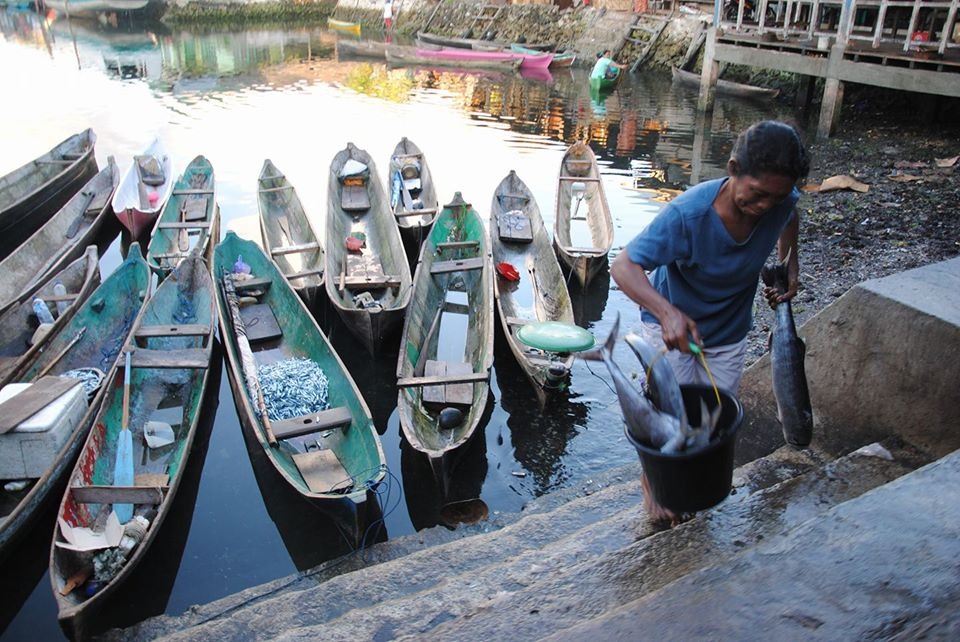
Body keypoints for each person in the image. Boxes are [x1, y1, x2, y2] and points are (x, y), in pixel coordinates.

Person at [610, 119, 810, 524]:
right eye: (757, 195)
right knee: (666, 420)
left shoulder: (781, 200)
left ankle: (695, 490)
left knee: (712, 421)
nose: (765, 206)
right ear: (734, 169)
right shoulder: (688, 215)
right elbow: (624, 265)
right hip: (672, 333)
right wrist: (668, 313)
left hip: (729, 333)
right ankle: (657, 494)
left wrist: (791, 264)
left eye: (776, 196)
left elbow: (790, 216)